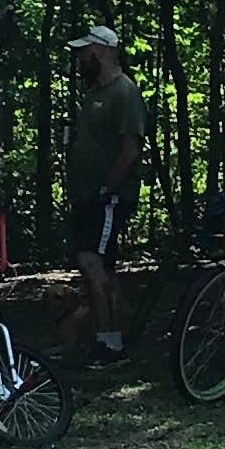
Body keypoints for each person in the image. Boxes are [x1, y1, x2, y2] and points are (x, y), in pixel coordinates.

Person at [63, 24, 145, 363]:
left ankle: (110, 344)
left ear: (103, 51)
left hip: (107, 198)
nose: (82, 58)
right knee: (103, 267)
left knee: (91, 261)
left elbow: (131, 146)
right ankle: (110, 336)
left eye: (87, 52)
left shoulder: (124, 93)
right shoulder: (94, 93)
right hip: (87, 196)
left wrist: (108, 187)